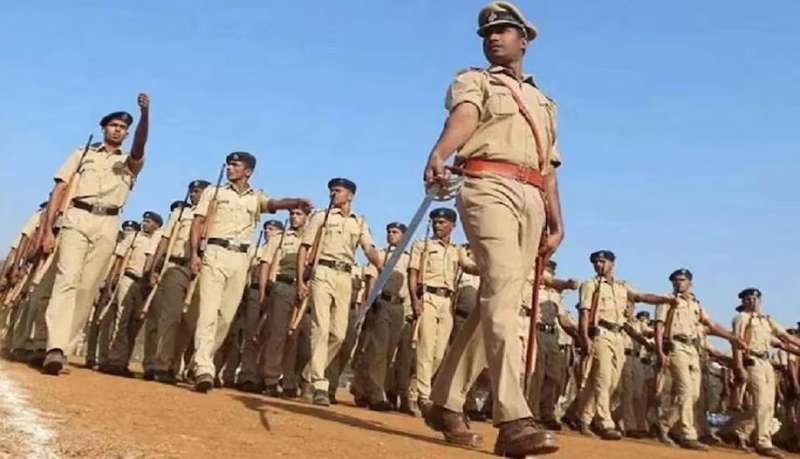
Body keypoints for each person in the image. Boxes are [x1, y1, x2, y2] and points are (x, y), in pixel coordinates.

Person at [421, 2, 566, 455]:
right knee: (502, 292)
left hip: (532, 197)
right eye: (487, 33)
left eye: (503, 31)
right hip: (487, 186)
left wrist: (557, 220)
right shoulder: (475, 80)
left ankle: (445, 401)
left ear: (524, 40)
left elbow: (549, 166)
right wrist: (440, 153)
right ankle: (513, 418)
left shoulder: (545, 102)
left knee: (499, 301)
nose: (493, 38)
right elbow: (464, 117)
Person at [36, 93, 150, 375]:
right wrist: (48, 230)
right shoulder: (82, 154)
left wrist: (145, 115)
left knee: (86, 289)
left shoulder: (130, 161)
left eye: (123, 128)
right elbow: (60, 190)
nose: (118, 130)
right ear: (104, 128)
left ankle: (63, 348)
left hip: (108, 223)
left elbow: (140, 146)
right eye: (113, 125)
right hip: (77, 216)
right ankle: (54, 346)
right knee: (66, 280)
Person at [188, 152, 311, 393]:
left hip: (241, 258)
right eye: (229, 164)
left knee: (225, 317)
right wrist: (194, 254)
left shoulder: (256, 197)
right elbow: (197, 223)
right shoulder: (214, 192)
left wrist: (295, 202)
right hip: (215, 252)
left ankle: (200, 361)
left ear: (248, 172)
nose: (229, 168)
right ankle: (204, 367)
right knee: (208, 312)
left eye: (235, 165)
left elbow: (273, 204)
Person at [296, 177, 383, 407]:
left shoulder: (359, 222)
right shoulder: (321, 217)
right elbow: (304, 248)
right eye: (332, 191)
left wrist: (380, 264)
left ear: (350, 196)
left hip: (345, 276)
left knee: (339, 334)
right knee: (321, 328)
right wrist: (301, 280)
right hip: (322, 272)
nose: (333, 194)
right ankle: (319, 383)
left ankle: (307, 373)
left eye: (338, 191)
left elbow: (368, 247)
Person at [575, 250, 677, 440]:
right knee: (603, 378)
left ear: (612, 264)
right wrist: (585, 338)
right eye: (595, 262)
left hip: (618, 336)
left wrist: (665, 299)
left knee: (611, 382)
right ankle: (604, 423)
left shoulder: (622, 287)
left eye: (602, 261)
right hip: (601, 333)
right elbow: (584, 313)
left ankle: (584, 418)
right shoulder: (590, 285)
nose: (598, 265)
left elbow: (642, 297)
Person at [653, 268, 740, 450]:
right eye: (675, 280)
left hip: (693, 349)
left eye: (682, 280)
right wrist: (660, 352)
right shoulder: (667, 301)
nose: (678, 283)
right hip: (676, 347)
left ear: (690, 283)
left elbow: (711, 324)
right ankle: (688, 434)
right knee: (684, 390)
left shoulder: (696, 304)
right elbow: (659, 328)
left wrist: (731, 337)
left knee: (693, 395)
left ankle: (664, 425)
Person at [407, 208, 478, 415]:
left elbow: (469, 267)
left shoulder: (457, 250)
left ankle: (413, 391)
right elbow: (413, 274)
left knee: (439, 355)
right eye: (435, 222)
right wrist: (415, 300)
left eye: (442, 222)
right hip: (428, 297)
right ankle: (424, 397)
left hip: (447, 302)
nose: (437, 226)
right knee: (425, 349)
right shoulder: (422, 245)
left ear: (452, 225)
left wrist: (487, 264)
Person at [148, 181, 210, 384]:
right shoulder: (181, 213)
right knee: (170, 318)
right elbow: (166, 240)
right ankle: (162, 364)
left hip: (202, 272)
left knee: (189, 323)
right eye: (192, 192)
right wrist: (156, 267)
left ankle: (175, 365)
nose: (194, 195)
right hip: (177, 266)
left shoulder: (215, 215)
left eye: (198, 192)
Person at [729, 288, 800, 458]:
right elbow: (737, 343)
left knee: (769, 405)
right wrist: (739, 366)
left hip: (767, 363)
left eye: (755, 298)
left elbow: (785, 337)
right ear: (743, 302)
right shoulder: (741, 318)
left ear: (760, 301)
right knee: (761, 402)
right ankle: (763, 442)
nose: (752, 301)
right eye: (748, 299)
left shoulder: (767, 320)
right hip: (752, 361)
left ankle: (741, 431)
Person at [350, 222, 411, 411]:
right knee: (377, 350)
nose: (391, 235)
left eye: (395, 232)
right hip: (381, 303)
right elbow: (371, 279)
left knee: (388, 352)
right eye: (389, 232)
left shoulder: (409, 258)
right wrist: (369, 303)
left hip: (399, 306)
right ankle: (375, 395)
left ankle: (361, 389)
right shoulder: (381, 255)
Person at [101, 211, 163, 376]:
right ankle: (115, 360)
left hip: (146, 285)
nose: (145, 223)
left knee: (135, 325)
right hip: (129, 279)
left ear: (157, 225)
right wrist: (110, 282)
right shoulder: (134, 237)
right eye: (144, 220)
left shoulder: (160, 239)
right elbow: (119, 259)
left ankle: (124, 361)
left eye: (149, 221)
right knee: (121, 320)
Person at [258, 208, 308, 396]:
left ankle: (289, 380)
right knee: (277, 335)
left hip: (306, 290)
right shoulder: (279, 238)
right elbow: (265, 264)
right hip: (284, 286)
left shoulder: (315, 237)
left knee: (296, 339)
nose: (294, 217)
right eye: (292, 214)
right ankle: (271, 379)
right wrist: (263, 291)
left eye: (299, 214)